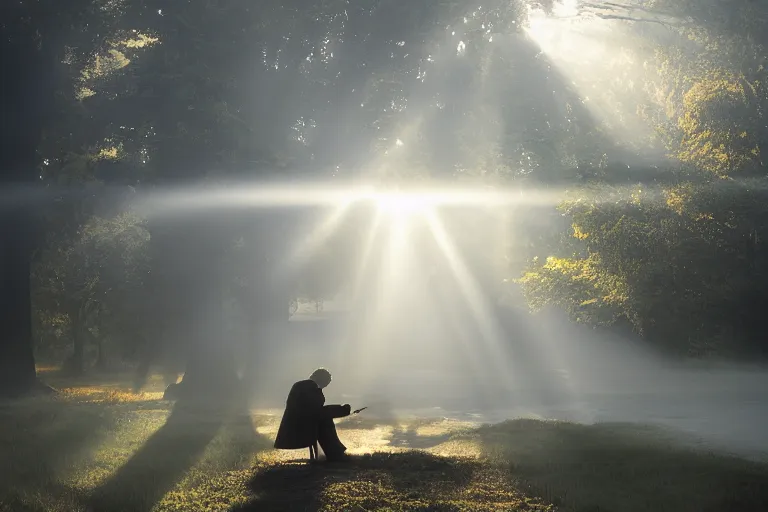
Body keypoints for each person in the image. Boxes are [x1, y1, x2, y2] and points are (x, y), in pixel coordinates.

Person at [273, 368, 352, 461]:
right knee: (325, 422)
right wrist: (342, 410)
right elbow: (316, 411)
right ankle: (336, 454)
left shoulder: (303, 385)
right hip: (300, 427)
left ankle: (335, 453)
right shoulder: (310, 387)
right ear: (322, 379)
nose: (326, 385)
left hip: (296, 426)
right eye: (327, 382)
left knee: (324, 420)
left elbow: (314, 410)